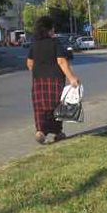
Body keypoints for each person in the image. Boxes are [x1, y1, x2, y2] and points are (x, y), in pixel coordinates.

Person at [26, 16, 80, 144]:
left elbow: (29, 64)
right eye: (52, 28)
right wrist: (72, 78)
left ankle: (40, 131)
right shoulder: (55, 43)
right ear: (49, 29)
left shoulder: (34, 44)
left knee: (40, 108)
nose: (54, 30)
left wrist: (40, 70)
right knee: (55, 107)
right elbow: (61, 61)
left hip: (38, 81)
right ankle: (58, 132)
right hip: (54, 80)